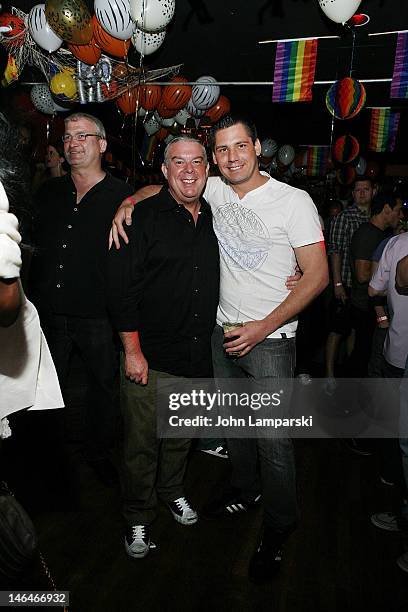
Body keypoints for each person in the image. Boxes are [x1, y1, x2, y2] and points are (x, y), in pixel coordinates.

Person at [110, 114, 329, 582]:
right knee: (233, 428)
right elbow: (170, 186)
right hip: (216, 335)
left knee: (274, 442)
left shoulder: (294, 201)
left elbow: (319, 275)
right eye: (223, 150)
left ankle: (278, 527)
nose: (231, 158)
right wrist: (128, 200)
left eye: (239, 147)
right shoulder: (212, 188)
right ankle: (245, 490)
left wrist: (262, 325)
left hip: (270, 339)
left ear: (257, 148)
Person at [107, 136, 219, 559]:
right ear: (165, 170)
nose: (188, 170)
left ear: (208, 169)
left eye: (196, 162)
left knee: (180, 438)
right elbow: (121, 293)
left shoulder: (216, 214)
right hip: (148, 358)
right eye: (178, 162)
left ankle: (172, 491)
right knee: (141, 445)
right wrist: (132, 353)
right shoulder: (141, 218)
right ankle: (138, 516)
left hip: (197, 356)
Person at [28, 112, 133, 484]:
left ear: (101, 145)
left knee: (102, 389)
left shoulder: (123, 195)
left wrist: (137, 198)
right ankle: (46, 454)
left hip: (98, 314)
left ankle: (98, 452)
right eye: (68, 137)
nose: (72, 143)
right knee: (42, 387)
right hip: (47, 313)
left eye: (82, 136)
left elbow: (165, 193)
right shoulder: (49, 193)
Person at [368, 233, 408, 574]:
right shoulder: (397, 244)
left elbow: (376, 288)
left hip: (398, 349)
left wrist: (384, 313)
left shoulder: (397, 244)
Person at [325, 177, 375, 393]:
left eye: (366, 189)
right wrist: (337, 283)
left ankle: (348, 371)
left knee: (355, 330)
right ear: (352, 194)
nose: (362, 193)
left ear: (374, 191)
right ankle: (329, 375)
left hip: (367, 288)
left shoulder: (378, 216)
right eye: (358, 190)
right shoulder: (344, 218)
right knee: (337, 330)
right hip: (345, 282)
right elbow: (334, 251)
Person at [349, 191, 404, 377]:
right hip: (365, 306)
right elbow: (363, 275)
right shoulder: (368, 234)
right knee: (364, 357)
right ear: (387, 209)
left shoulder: (382, 235)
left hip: (372, 306)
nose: (401, 215)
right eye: (398, 210)